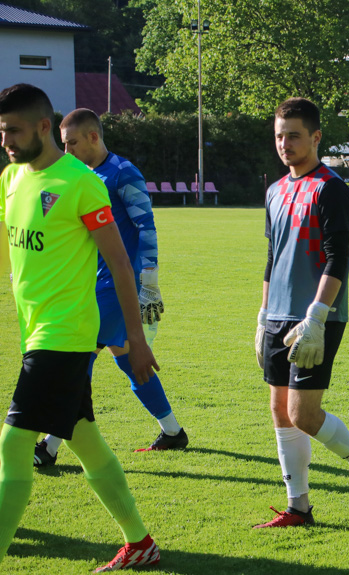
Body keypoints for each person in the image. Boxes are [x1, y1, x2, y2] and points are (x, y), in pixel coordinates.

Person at [0, 84, 160, 570]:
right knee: (83, 435)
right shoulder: (10, 178)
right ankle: (140, 542)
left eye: (13, 130)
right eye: (1, 130)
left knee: (13, 442)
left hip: (66, 335)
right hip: (36, 332)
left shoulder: (80, 182)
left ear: (44, 127)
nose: (5, 139)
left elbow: (119, 263)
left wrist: (136, 340)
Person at [30, 108, 187, 467]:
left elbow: (146, 227)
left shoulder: (122, 173)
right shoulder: (79, 175)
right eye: (62, 145)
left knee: (77, 359)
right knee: (130, 360)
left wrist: (149, 281)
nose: (66, 152)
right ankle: (173, 432)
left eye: (71, 144)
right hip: (92, 283)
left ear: (93, 138)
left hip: (118, 285)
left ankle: (49, 446)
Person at [253, 97, 349, 528]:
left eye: (293, 135)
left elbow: (337, 258)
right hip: (277, 314)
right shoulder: (274, 190)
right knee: (279, 410)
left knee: (304, 414)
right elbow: (272, 256)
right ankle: (299, 507)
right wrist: (262, 314)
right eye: (279, 136)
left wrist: (316, 317)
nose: (285, 144)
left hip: (316, 316)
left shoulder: (331, 188)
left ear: (315, 137)